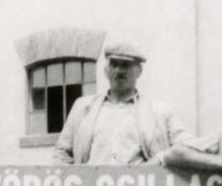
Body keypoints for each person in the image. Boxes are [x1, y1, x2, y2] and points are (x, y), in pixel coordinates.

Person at [52, 40, 190, 165]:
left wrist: (160, 159)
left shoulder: (160, 111)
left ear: (139, 71)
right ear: (106, 70)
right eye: (114, 64)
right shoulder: (82, 107)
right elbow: (62, 153)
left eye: (126, 65)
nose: (119, 71)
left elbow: (186, 147)